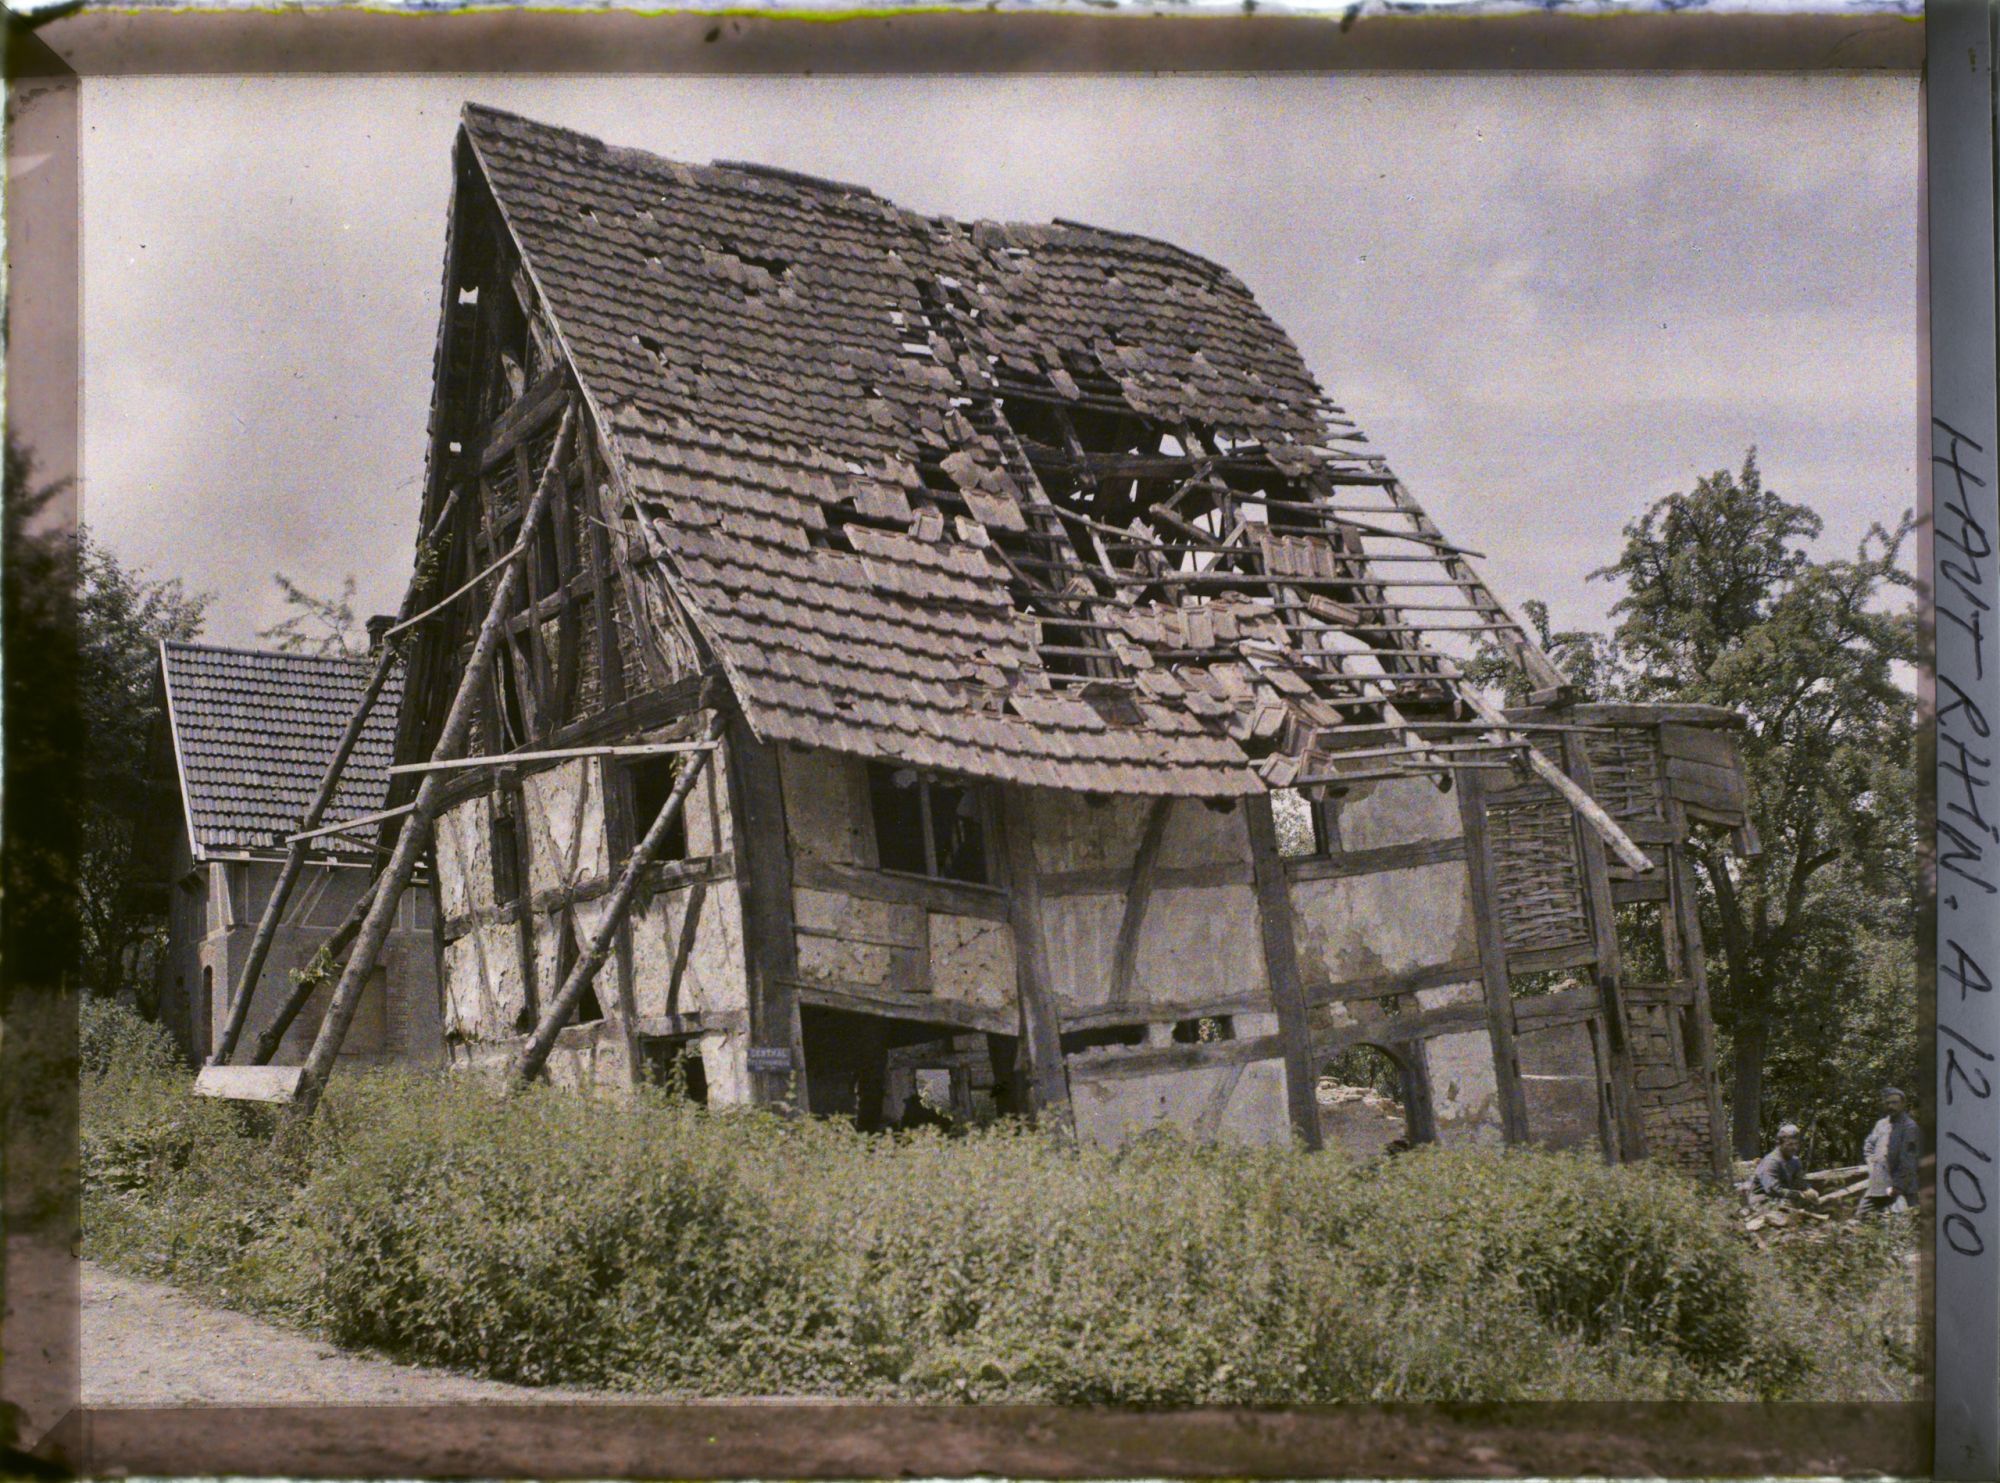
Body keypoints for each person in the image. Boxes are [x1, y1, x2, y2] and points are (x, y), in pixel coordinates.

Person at [1860, 1086, 1921, 1215]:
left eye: (1894, 1102)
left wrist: (1898, 1186)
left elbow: (1909, 1160)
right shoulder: (1881, 1124)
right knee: (1862, 1215)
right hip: (1879, 1182)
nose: (1890, 1106)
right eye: (1888, 1103)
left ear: (1903, 1104)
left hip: (1903, 1184)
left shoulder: (1909, 1127)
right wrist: (1872, 1165)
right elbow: (1869, 1145)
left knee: (1905, 1221)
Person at [1749, 1123, 1816, 1206]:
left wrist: (1809, 1190)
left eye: (1796, 1144)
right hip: (1762, 1201)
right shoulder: (1771, 1161)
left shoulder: (1795, 1161)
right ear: (1779, 1144)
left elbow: (1800, 1182)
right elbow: (1772, 1190)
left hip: (1783, 1200)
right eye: (1790, 1144)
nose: (1794, 1148)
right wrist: (1799, 1195)